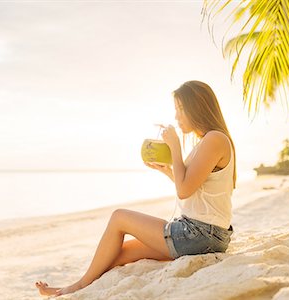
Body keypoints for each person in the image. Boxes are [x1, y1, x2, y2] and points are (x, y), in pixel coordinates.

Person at [35, 80, 236, 297]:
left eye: (180, 109)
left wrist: (175, 148)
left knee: (119, 217)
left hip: (199, 234)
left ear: (196, 107)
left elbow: (184, 190)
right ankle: (74, 287)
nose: (177, 117)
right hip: (203, 235)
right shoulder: (209, 140)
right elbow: (192, 187)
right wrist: (166, 170)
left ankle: (77, 287)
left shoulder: (214, 139)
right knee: (119, 253)